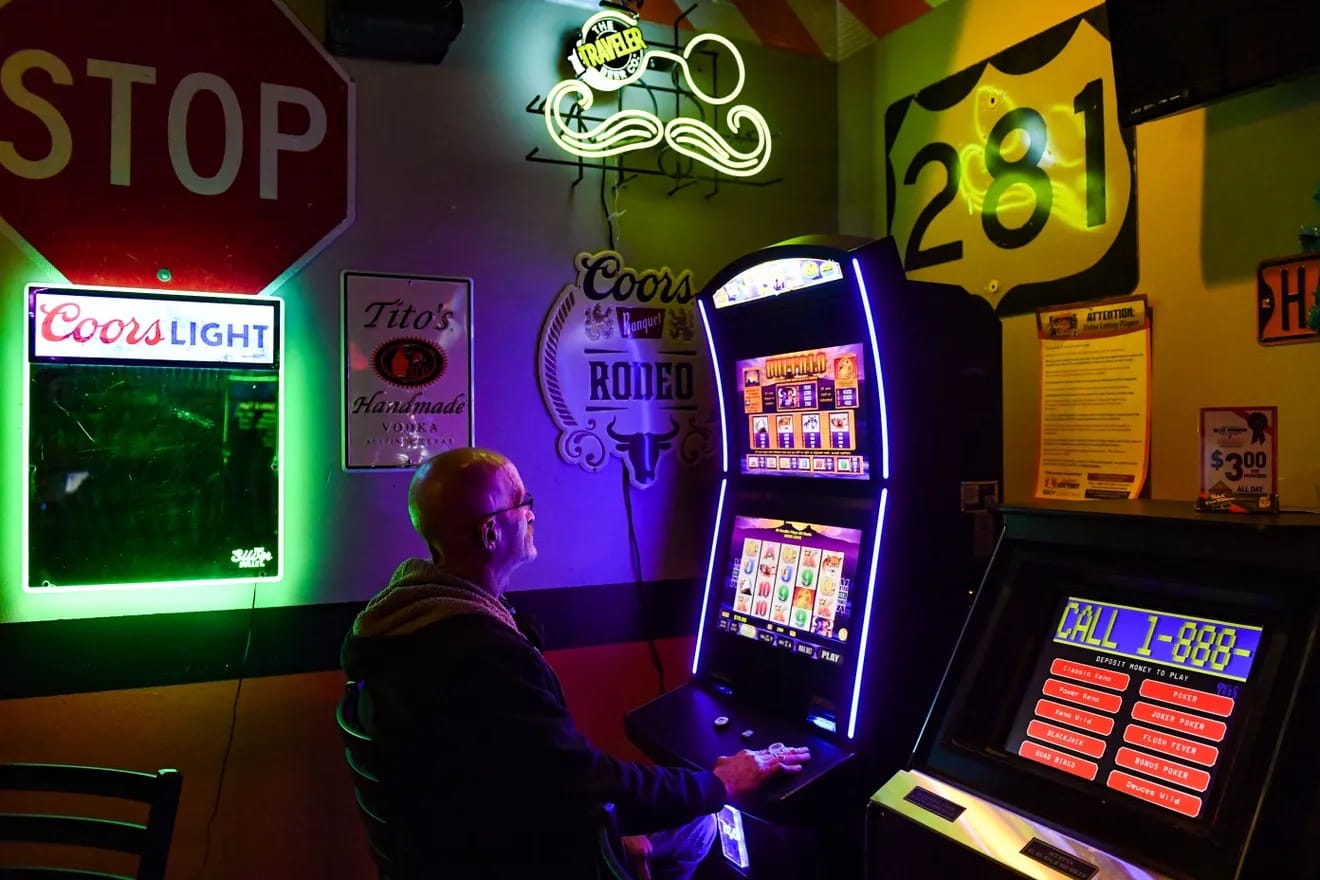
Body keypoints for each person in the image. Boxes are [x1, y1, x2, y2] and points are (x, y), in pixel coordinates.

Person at [341, 448, 810, 880]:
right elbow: (578, 777)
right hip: (508, 858)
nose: (531, 514)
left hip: (462, 843)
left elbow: (531, 777)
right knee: (700, 826)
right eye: (523, 503)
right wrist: (716, 784)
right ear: (490, 533)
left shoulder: (409, 623)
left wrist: (605, 824)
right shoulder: (478, 653)